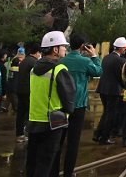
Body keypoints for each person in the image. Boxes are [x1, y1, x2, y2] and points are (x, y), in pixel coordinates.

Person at [25, 31, 76, 177]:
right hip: (54, 120)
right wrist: (67, 111)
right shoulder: (60, 69)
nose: (65, 49)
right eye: (63, 47)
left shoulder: (34, 69)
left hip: (34, 120)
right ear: (55, 49)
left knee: (33, 161)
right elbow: (69, 97)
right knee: (47, 161)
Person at [53, 34, 101, 177]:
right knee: (73, 142)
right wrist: (94, 56)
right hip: (78, 105)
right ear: (82, 46)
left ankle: (53, 171)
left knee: (57, 140)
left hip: (60, 106)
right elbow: (98, 71)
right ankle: (69, 172)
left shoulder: (61, 61)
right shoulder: (85, 61)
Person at [93, 36, 126, 145]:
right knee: (110, 114)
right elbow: (120, 76)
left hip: (103, 88)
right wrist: (125, 86)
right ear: (121, 48)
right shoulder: (119, 60)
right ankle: (105, 137)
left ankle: (98, 134)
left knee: (106, 112)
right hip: (113, 90)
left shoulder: (106, 57)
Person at [16, 44, 42, 142]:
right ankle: (31, 133)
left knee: (20, 113)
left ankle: (19, 134)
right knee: (30, 113)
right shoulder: (34, 62)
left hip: (20, 90)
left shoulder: (24, 61)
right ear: (37, 52)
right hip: (29, 91)